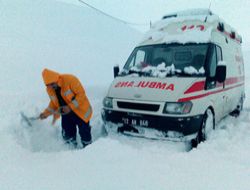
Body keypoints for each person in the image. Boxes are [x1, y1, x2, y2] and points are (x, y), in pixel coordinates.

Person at [39, 68, 93, 148]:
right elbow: (54, 103)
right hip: (66, 114)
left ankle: (88, 149)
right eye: (49, 85)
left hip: (81, 112)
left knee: (85, 134)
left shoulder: (70, 80)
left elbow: (81, 95)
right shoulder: (50, 89)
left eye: (53, 84)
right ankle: (70, 151)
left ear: (56, 79)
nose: (52, 87)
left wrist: (70, 107)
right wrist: (45, 113)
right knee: (68, 136)